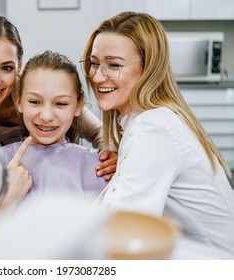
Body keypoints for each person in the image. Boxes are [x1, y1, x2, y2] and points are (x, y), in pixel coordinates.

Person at [80, 11, 234, 254]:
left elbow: (118, 231)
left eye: (114, 65)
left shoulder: (153, 129)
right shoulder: (152, 121)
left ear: (149, 69)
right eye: (94, 63)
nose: (97, 76)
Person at [0, 14, 117, 180]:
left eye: (6, 68)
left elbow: (98, 133)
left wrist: (109, 158)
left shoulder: (37, 89)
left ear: (19, 65)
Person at [1, 50, 107, 203]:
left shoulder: (99, 168)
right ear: (19, 101)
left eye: (61, 103)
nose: (46, 116)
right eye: (34, 102)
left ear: (79, 106)